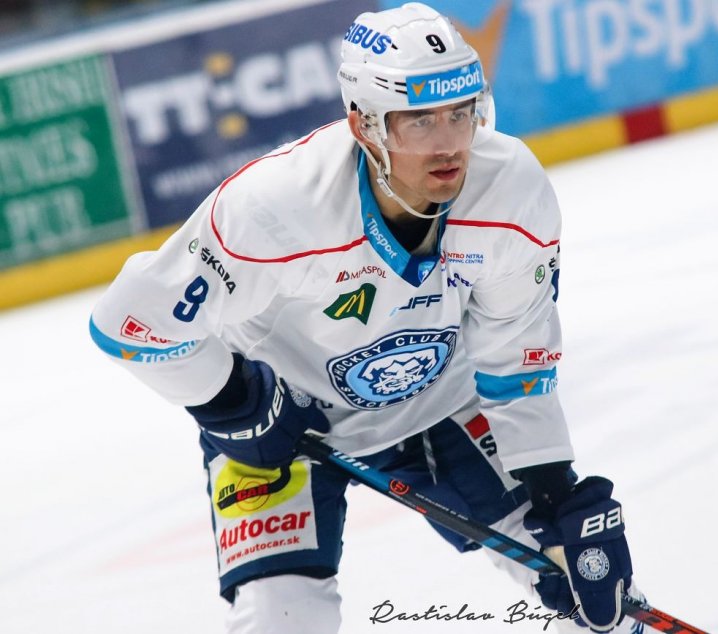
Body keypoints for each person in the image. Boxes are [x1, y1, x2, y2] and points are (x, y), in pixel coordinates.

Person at [89, 3, 643, 632]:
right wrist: (236, 403)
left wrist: (554, 489)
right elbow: (129, 321)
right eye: (420, 121)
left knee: (593, 593)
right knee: (281, 620)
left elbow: (516, 354)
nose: (449, 144)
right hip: (284, 429)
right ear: (363, 124)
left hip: (446, 403)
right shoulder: (272, 207)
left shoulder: (509, 187)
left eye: (461, 113)